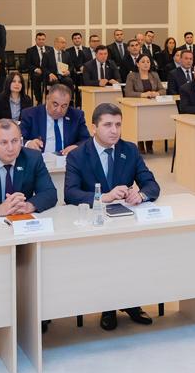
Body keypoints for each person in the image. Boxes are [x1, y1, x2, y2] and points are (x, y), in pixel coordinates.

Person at [63, 103, 159, 330]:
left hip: (125, 222)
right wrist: (103, 197)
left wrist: (140, 195)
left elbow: (152, 184)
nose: (114, 130)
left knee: (134, 256)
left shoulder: (130, 150)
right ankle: (108, 307)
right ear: (94, 127)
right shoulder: (78, 155)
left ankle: (131, 302)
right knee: (107, 257)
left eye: (118, 125)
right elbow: (70, 193)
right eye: (107, 125)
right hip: (94, 226)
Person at [21, 83, 91, 156]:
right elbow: (18, 139)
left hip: (67, 159)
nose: (59, 110)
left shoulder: (76, 116)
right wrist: (28, 143)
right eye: (55, 104)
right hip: (39, 159)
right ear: (47, 99)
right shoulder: (30, 114)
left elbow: (87, 140)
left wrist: (77, 147)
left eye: (64, 106)